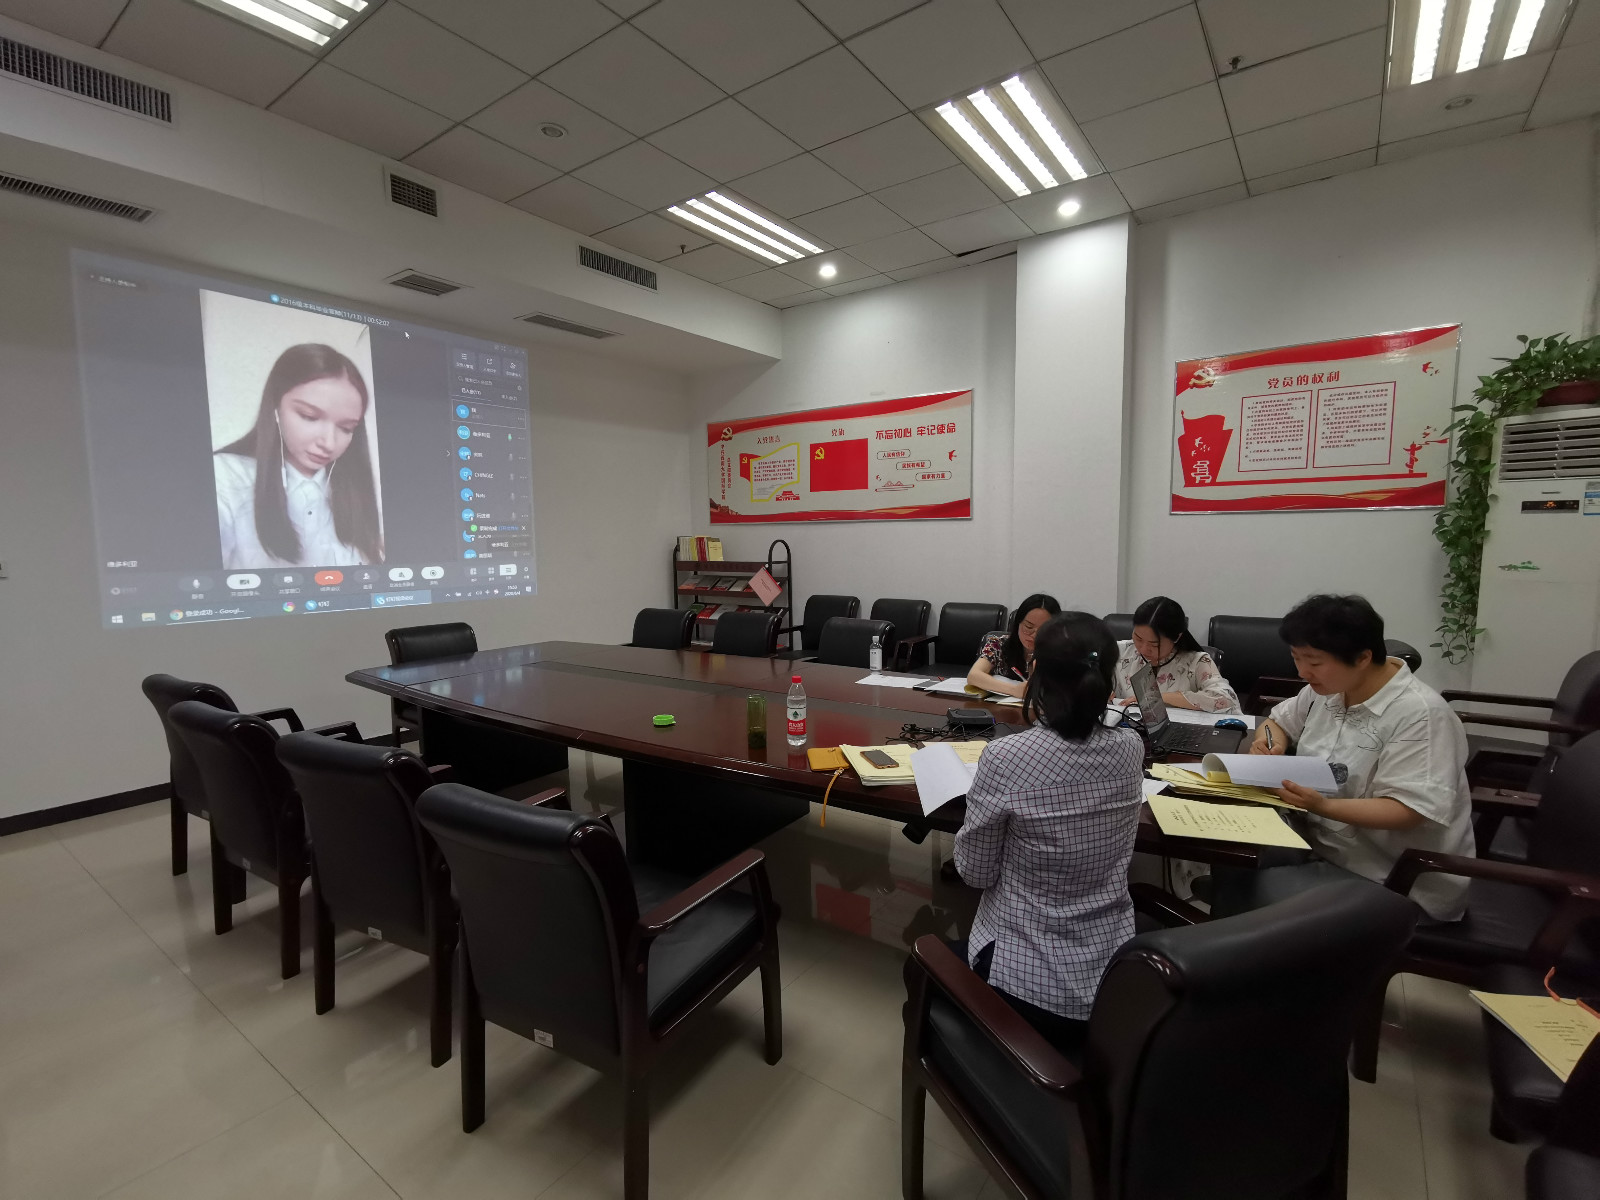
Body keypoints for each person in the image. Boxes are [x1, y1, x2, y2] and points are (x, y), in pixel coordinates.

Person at [1211, 594, 1475, 922]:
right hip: (1320, 843)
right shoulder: (1329, 689)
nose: (1303, 672)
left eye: (1314, 662)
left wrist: (1321, 806)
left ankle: (1232, 931)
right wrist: (1271, 744)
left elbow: (1408, 810)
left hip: (1389, 878)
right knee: (1225, 846)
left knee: (1250, 887)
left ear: (1363, 657)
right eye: (1296, 658)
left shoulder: (1422, 715)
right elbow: (1275, 721)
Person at [952, 612, 1145, 1053]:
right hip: (1113, 976)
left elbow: (976, 874)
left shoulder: (1007, 756)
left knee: (922, 963)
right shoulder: (1130, 747)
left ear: (1035, 671)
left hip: (1024, 982)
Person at [214, 343, 384, 569]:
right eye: (309, 416)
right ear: (276, 407)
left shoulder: (357, 496)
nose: (329, 443)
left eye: (346, 428)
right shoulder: (225, 479)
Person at [1113, 595, 1240, 714]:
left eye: (1154, 644)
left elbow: (1227, 700)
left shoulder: (1196, 662)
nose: (1143, 649)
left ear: (1176, 637)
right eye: (1138, 638)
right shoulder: (1118, 652)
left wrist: (1158, 697)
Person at [966, 594, 1061, 699]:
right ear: (1018, 623)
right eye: (1028, 627)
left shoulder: (1059, 652)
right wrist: (1014, 690)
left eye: (1043, 629)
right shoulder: (998, 644)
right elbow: (973, 676)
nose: (1034, 635)